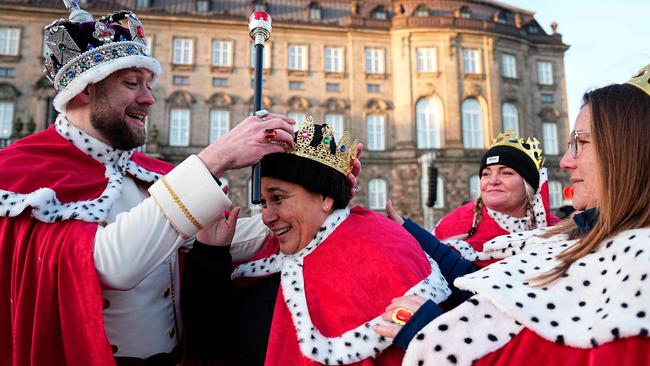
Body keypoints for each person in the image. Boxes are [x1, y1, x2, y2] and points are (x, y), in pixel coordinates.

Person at [0, 5, 296, 366]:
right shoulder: (20, 173)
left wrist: (315, 204)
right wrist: (218, 157)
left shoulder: (146, 171)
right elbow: (113, 265)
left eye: (149, 85)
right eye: (131, 84)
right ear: (83, 91)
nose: (149, 98)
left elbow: (215, 237)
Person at [376, 65, 650, 365]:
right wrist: (408, 230)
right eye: (487, 173)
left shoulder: (638, 262)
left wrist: (432, 335)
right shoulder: (576, 234)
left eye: (581, 143)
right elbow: (489, 290)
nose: (567, 161)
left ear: (628, 151)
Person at [181, 119, 451, 365]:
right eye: (262, 202)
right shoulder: (267, 254)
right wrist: (210, 254)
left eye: (278, 198)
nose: (266, 217)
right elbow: (211, 345)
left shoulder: (379, 248)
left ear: (325, 197)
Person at [431, 131, 560, 268]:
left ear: (528, 184)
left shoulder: (558, 230)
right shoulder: (451, 226)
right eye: (486, 174)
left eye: (506, 173)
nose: (493, 181)